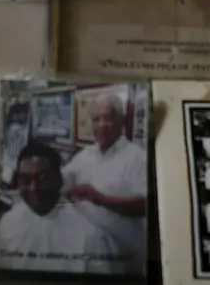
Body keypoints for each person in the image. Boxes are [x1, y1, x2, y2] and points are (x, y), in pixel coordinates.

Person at [0, 142, 124, 274]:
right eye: (26, 180)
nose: (33, 188)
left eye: (42, 178)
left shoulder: (90, 237)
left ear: (59, 180)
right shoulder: (7, 224)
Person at [62, 92, 147, 272]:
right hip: (84, 249)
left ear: (122, 122)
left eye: (108, 118)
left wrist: (99, 199)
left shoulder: (137, 157)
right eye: (96, 119)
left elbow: (143, 205)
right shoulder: (84, 155)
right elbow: (62, 181)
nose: (101, 125)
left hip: (122, 258)